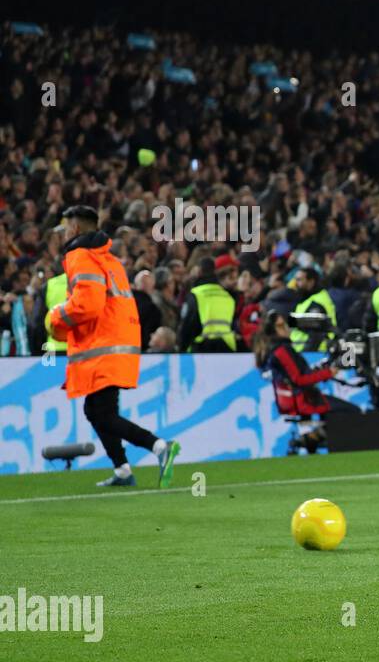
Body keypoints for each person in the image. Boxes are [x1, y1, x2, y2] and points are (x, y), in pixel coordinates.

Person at [46, 205, 181, 487]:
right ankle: (122, 469)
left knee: (101, 413)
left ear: (76, 228)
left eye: (66, 227)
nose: (63, 233)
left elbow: (88, 304)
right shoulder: (109, 259)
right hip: (118, 343)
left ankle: (159, 447)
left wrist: (56, 316)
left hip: (101, 346)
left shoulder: (79, 255)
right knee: (96, 411)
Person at [254, 312, 359, 453]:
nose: (286, 328)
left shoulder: (276, 349)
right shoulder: (281, 351)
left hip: (300, 398)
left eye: (285, 324)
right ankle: (310, 439)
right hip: (304, 400)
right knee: (353, 412)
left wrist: (319, 370)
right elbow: (298, 380)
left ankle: (312, 439)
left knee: (337, 413)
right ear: (273, 330)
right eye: (281, 326)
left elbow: (296, 375)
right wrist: (328, 373)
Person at [179, 256, 238, 351]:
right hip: (227, 349)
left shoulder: (195, 295)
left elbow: (187, 327)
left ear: (199, 271)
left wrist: (181, 349)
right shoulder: (228, 296)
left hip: (201, 349)